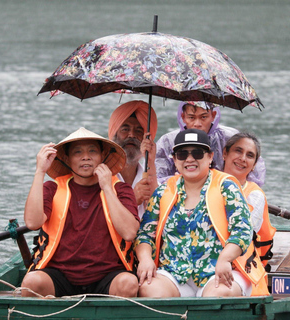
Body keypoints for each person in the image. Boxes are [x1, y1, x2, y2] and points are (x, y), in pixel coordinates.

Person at [135, 129, 269, 298]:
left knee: (218, 295)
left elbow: (242, 231)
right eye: (182, 154)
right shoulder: (163, 191)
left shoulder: (227, 187)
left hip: (222, 270)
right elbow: (145, 234)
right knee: (149, 289)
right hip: (175, 273)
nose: (190, 159)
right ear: (175, 159)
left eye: (197, 153)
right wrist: (146, 259)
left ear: (210, 156)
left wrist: (225, 259)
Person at [21, 127, 140, 298]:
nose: (86, 157)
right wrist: (40, 171)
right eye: (78, 152)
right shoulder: (52, 188)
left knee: (128, 284)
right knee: (31, 283)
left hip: (108, 275)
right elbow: (32, 223)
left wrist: (106, 187)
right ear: (67, 159)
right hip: (60, 275)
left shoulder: (120, 189)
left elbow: (129, 232)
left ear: (102, 156)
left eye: (92, 151)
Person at [155, 101, 266, 186]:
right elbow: (157, 178)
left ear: (213, 115)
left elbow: (252, 166)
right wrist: (180, 181)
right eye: (191, 117)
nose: (197, 124)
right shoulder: (168, 142)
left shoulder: (230, 137)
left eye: (204, 117)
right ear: (183, 117)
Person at [223, 132, 276, 268]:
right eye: (238, 151)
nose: (243, 158)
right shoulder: (206, 183)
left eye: (250, 155)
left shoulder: (255, 196)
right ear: (224, 154)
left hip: (240, 263)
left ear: (254, 165)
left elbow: (243, 235)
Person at [108, 100, 158, 219]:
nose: (131, 135)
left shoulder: (149, 177)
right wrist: (133, 200)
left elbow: (161, 215)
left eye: (139, 131)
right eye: (125, 129)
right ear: (114, 134)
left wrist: (150, 161)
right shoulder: (102, 177)